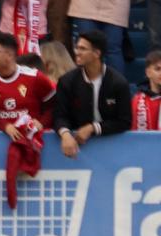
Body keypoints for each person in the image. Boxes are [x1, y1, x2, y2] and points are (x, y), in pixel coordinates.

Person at [53, 30, 133, 158]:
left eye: (83, 49)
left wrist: (92, 128)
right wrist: (65, 134)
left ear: (97, 53)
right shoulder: (66, 81)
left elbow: (124, 121)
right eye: (77, 47)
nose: (77, 52)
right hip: (76, 148)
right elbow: (59, 116)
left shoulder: (118, 83)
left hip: (112, 147)